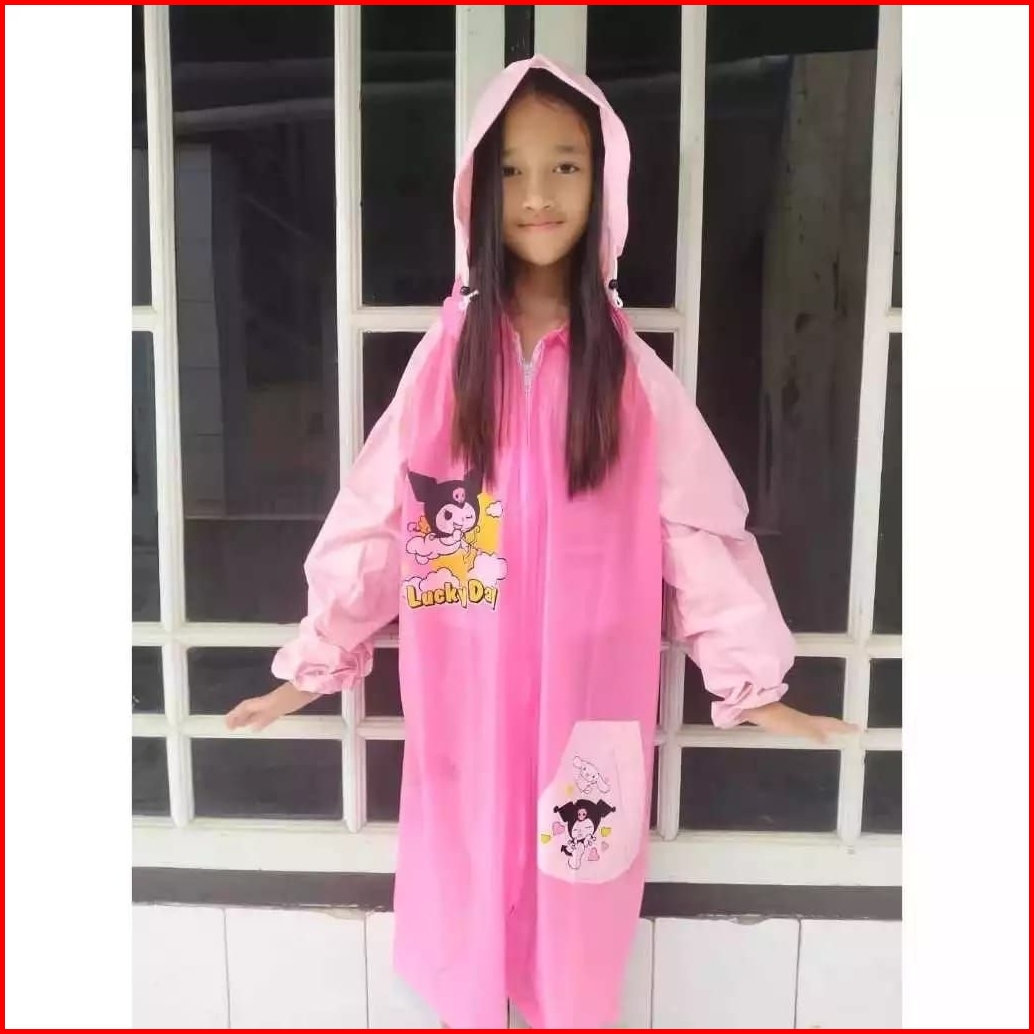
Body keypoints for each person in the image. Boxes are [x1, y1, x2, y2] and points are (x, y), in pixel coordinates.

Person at [226, 55, 855, 1030]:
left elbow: (693, 531)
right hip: (464, 698)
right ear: (479, 193)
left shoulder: (627, 374)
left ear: (602, 184)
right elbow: (385, 517)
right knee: (467, 905)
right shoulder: (450, 361)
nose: (537, 195)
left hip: (587, 701)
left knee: (573, 920)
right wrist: (312, 662)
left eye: (565, 166)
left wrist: (752, 683)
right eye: (512, 170)